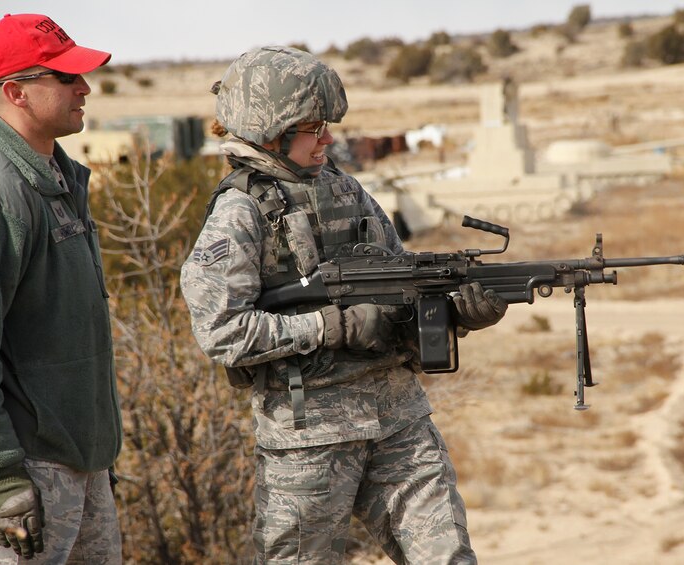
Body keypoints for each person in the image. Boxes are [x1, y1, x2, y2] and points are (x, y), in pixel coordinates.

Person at [180, 46, 507, 564]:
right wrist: (329, 327)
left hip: (399, 422)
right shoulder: (239, 214)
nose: (329, 138)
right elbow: (222, 331)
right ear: (273, 131)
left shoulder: (346, 190)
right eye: (315, 128)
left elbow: (402, 288)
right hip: (308, 441)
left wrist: (458, 313)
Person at [0, 13, 123, 564]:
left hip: (75, 460)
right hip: (19, 469)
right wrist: (3, 473)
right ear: (16, 92)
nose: (85, 88)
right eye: (67, 77)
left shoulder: (56, 174)